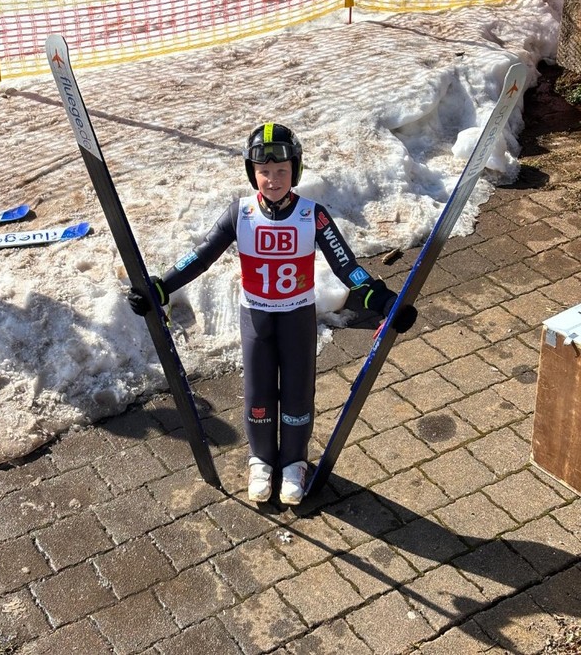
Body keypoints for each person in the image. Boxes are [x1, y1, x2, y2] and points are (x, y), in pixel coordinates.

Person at [128, 122, 417, 505]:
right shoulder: (240, 213)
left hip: (297, 318)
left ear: (295, 171)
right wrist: (159, 287)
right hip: (257, 320)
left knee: (297, 395)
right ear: (253, 173)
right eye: (264, 171)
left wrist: (383, 301)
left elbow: (347, 267)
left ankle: (293, 462)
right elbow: (200, 256)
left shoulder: (313, 216)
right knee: (258, 397)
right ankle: (261, 461)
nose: (272, 179)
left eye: (282, 171)